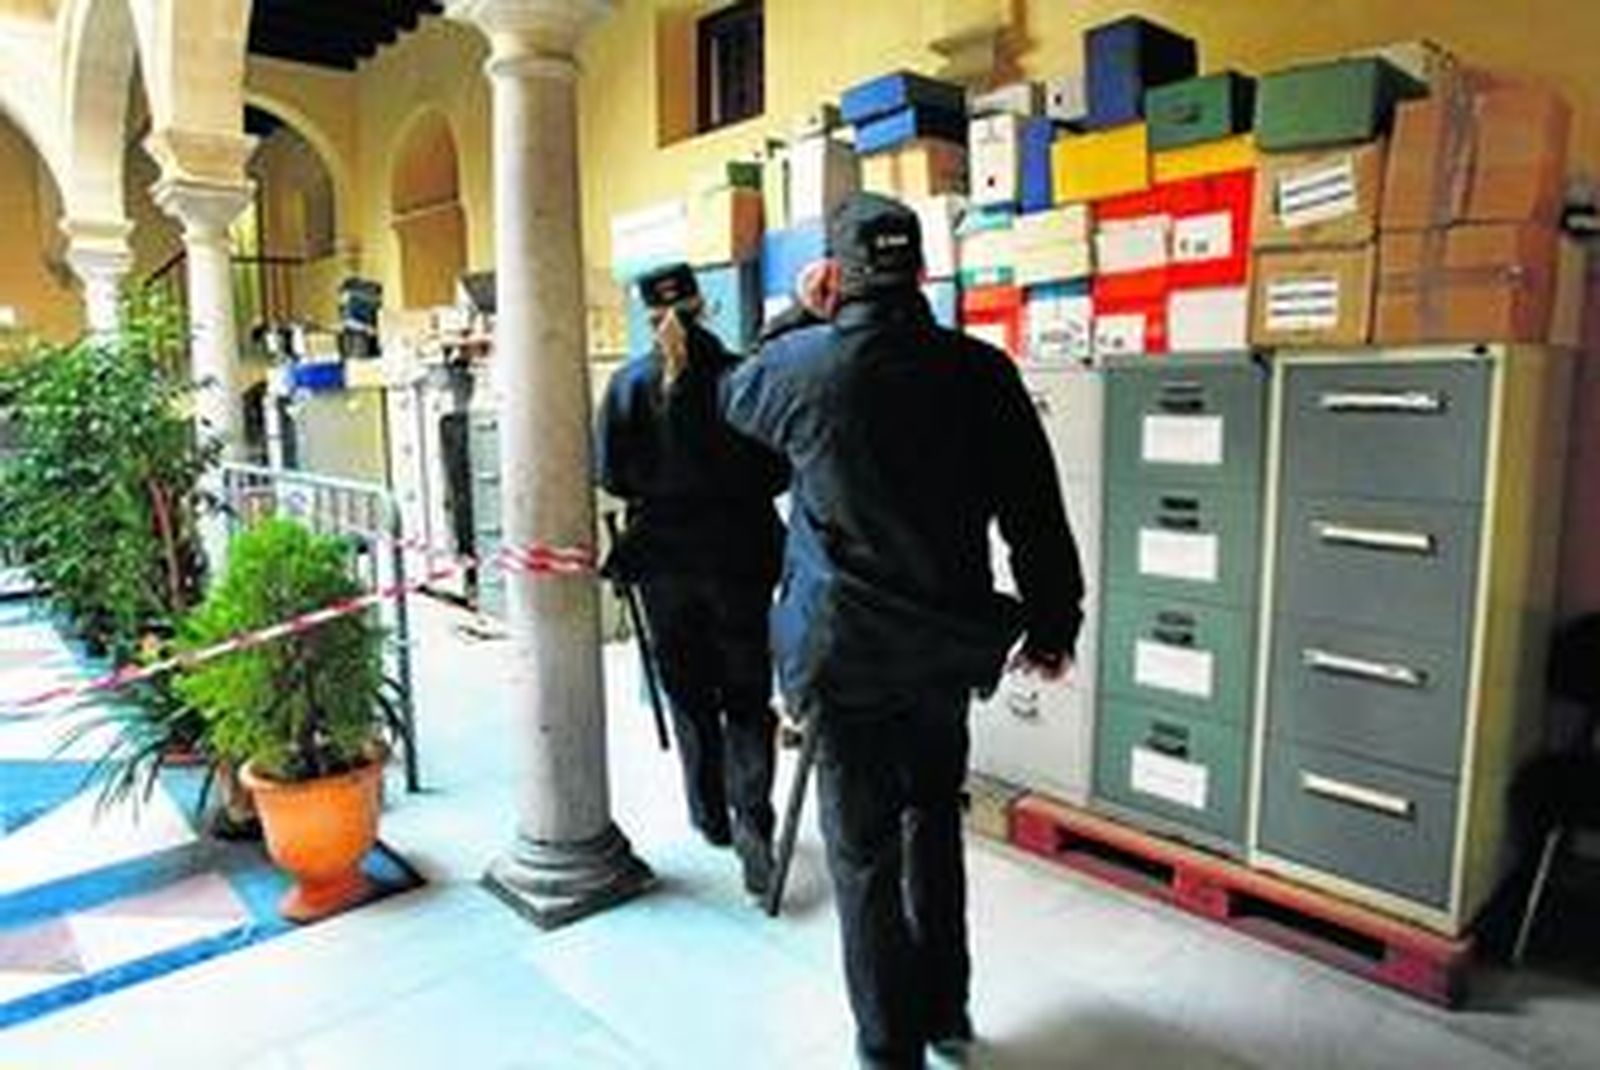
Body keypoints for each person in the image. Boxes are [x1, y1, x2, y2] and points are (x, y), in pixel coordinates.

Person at [722, 193, 1085, 1068]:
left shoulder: (799, 369)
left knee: (861, 854)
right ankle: (946, 1010)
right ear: (922, 270)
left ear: (836, 275)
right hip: (941, 653)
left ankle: (888, 1048)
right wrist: (1052, 620)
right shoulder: (980, 371)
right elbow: (1035, 513)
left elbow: (733, 391)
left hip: (843, 657)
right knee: (933, 823)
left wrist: (791, 314)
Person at [596, 262, 790, 898]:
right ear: (705, 307)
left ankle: (709, 816)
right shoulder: (745, 377)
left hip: (663, 563)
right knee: (746, 694)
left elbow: (614, 478)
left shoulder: (627, 387)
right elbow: (779, 473)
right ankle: (754, 822)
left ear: (648, 316)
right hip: (742, 558)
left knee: (688, 692)